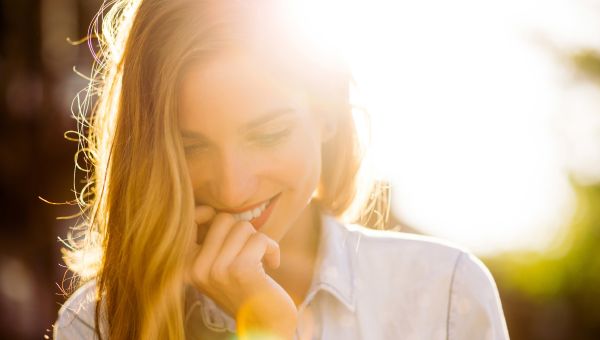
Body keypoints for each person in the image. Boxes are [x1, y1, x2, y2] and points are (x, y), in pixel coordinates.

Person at [52, 0, 510, 339]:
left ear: (327, 114)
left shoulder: (445, 295)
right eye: (190, 147)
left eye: (268, 134)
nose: (233, 188)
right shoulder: (93, 325)